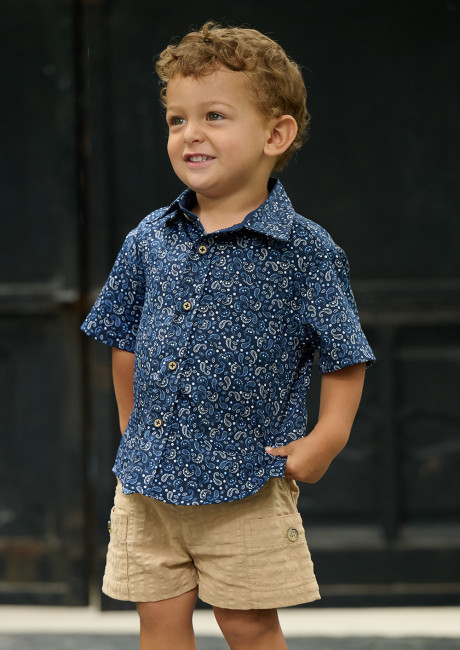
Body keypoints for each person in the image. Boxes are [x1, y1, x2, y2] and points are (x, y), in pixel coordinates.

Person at [81, 21, 375, 650]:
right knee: (159, 617)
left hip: (246, 482)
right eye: (176, 119)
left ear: (275, 134)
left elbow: (344, 355)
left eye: (214, 116)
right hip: (149, 484)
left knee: (247, 622)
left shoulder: (305, 252)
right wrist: (134, 432)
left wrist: (326, 438)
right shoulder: (150, 239)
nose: (190, 133)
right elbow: (123, 339)